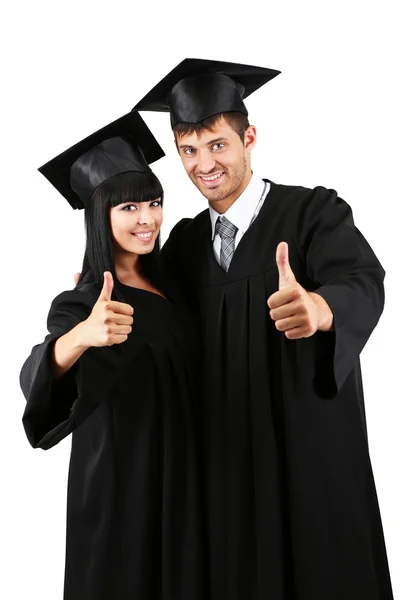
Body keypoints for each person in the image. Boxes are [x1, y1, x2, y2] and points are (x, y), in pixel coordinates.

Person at [134, 59, 394, 600]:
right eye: (188, 150)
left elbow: (362, 279)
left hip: (309, 456)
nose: (203, 163)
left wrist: (321, 309)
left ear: (249, 137)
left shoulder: (311, 213)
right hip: (224, 470)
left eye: (218, 145)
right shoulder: (182, 247)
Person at [19, 111, 203, 600]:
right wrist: (81, 336)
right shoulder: (84, 301)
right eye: (128, 209)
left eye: (154, 203)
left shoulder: (175, 284)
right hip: (121, 489)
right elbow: (37, 371)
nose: (147, 219)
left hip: (185, 480)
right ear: (99, 215)